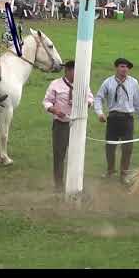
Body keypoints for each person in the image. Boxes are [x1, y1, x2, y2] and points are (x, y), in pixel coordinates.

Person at [43, 60, 94, 192]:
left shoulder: (83, 85)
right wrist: (55, 111)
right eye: (74, 71)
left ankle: (75, 183)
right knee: (59, 154)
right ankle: (58, 184)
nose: (77, 74)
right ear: (67, 71)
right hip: (61, 124)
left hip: (77, 125)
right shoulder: (55, 84)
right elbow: (47, 102)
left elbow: (90, 98)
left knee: (76, 153)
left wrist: (86, 104)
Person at [94, 58, 139, 184]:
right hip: (113, 118)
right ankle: (110, 170)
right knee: (110, 146)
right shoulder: (108, 82)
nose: (125, 69)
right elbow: (99, 98)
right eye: (122, 66)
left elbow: (138, 100)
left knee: (127, 147)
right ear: (116, 67)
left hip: (128, 118)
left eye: (127, 67)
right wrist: (100, 113)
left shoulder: (134, 82)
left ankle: (124, 174)